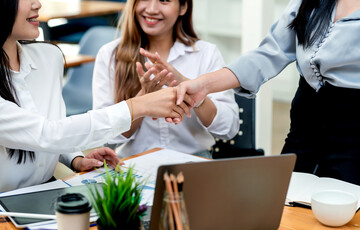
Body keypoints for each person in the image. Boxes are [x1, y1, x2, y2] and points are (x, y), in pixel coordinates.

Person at [0, 0, 191, 192]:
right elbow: (46, 133)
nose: (37, 4)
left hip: (45, 191)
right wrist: (137, 105)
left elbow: (54, 125)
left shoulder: (49, 57)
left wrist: (76, 159)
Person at [169, 0, 360, 185]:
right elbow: (270, 53)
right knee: (287, 200)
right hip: (304, 122)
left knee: (345, 208)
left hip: (352, 126)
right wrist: (204, 84)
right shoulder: (307, 2)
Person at [92, 0, 239, 159]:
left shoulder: (206, 53)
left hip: (194, 160)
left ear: (183, 7)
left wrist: (194, 93)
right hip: (132, 163)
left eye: (164, 1)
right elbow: (105, 136)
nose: (152, 9)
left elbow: (229, 128)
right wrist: (144, 98)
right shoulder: (110, 55)